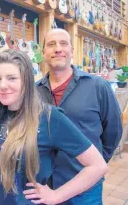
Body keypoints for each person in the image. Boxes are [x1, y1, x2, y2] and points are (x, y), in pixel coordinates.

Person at [0, 50, 108, 205]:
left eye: (12, 78)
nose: (3, 85)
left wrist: (56, 196)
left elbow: (97, 166)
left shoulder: (49, 117)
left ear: (26, 81)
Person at [36, 28, 122, 204]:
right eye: (51, 44)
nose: (58, 48)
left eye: (63, 43)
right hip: (45, 187)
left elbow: (113, 131)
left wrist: (94, 163)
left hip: (85, 189)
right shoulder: (33, 92)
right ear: (44, 53)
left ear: (72, 52)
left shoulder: (98, 86)